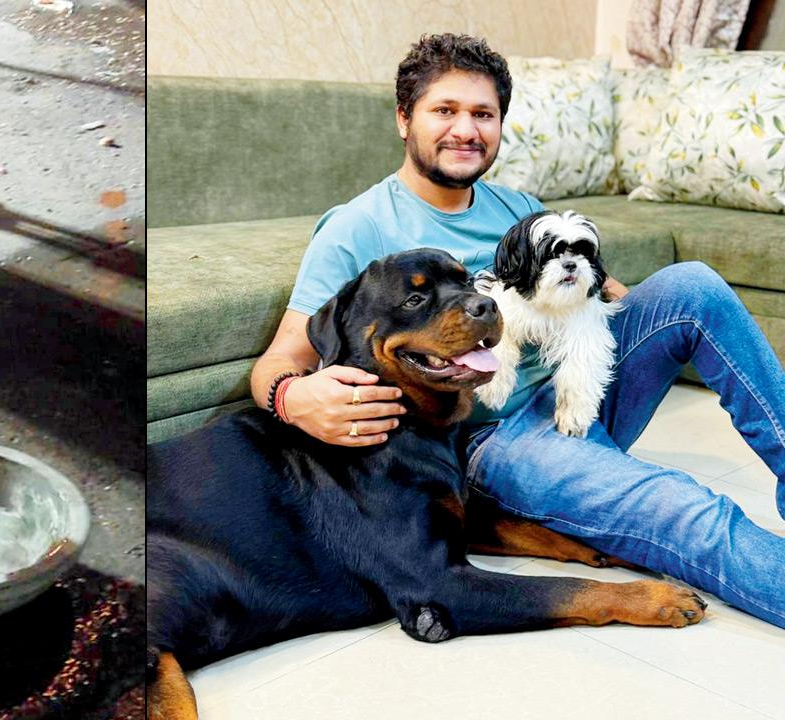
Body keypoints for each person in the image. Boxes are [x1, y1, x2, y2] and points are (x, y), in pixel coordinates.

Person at [251, 32, 785, 628]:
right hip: (492, 439)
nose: (465, 129)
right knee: (686, 506)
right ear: (404, 120)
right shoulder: (358, 228)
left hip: (571, 391)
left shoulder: (517, 208)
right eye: (444, 110)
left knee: (694, 285)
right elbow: (278, 361)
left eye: (483, 114)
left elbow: (594, 285)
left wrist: (643, 312)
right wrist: (293, 397)